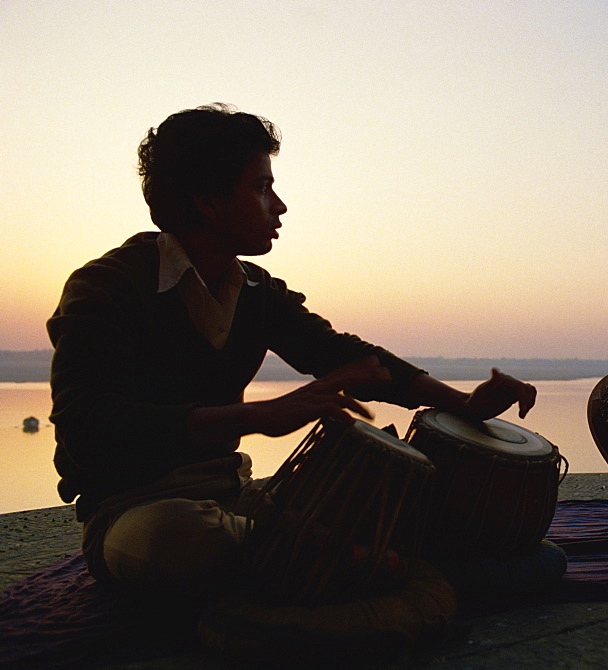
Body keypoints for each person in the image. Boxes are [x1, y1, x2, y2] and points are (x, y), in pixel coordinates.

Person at [47, 104, 537, 594]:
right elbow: (88, 423)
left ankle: (300, 551)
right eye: (262, 187)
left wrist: (466, 404)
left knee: (390, 489)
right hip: (135, 511)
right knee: (176, 539)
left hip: (235, 495)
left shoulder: (257, 292)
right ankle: (330, 556)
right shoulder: (107, 287)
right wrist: (259, 416)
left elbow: (348, 357)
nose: (279, 206)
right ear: (208, 201)